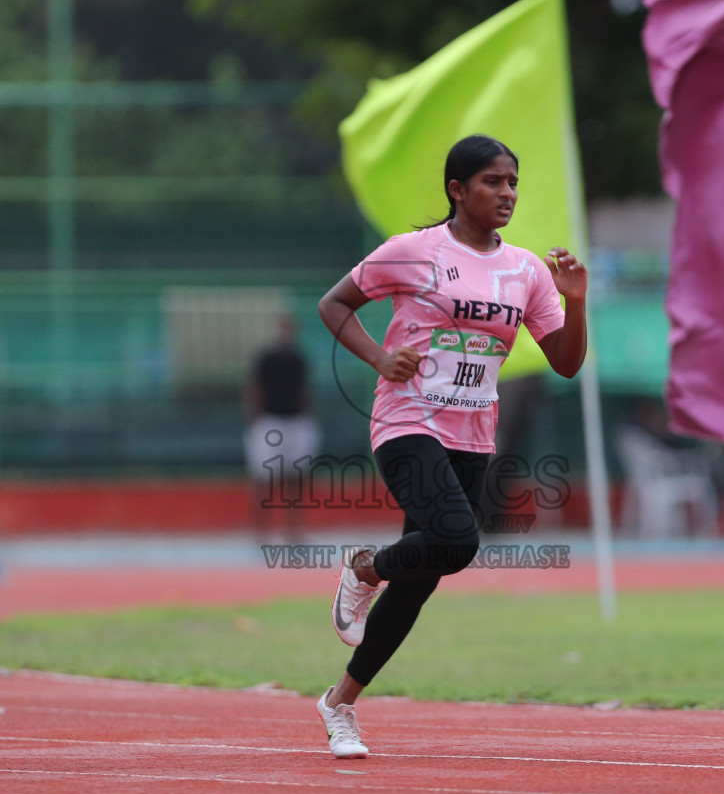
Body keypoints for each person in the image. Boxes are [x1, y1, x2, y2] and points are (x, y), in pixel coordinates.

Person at [313, 135, 587, 758]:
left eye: (513, 182)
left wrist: (575, 300)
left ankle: (339, 704)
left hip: (474, 433)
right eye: (493, 182)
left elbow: (566, 364)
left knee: (424, 575)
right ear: (457, 190)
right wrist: (382, 357)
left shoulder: (526, 271)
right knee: (459, 542)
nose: (507, 194)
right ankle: (364, 568)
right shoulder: (413, 253)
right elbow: (335, 304)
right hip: (408, 420)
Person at [244, 314, 319, 540]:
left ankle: (294, 531)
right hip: (270, 422)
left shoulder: (299, 359)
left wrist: (308, 417)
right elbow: (254, 388)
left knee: (296, 479)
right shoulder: (265, 358)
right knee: (263, 479)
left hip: (296, 421)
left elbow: (305, 390)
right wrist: (255, 419)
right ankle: (260, 532)